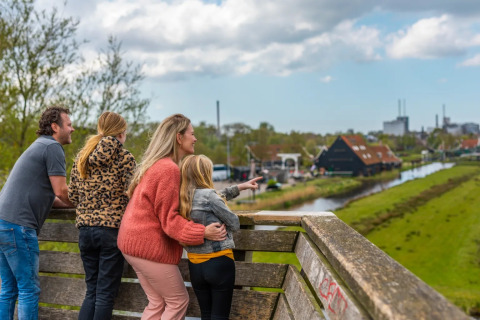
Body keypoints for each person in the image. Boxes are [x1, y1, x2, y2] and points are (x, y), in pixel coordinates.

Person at [117, 114, 261, 320]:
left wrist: (237, 188)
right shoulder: (168, 169)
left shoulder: (156, 165)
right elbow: (169, 219)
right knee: (178, 301)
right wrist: (203, 232)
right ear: (178, 137)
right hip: (147, 247)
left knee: (158, 303)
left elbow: (197, 198)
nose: (195, 139)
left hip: (131, 244)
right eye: (192, 134)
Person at [0, 106, 74, 320]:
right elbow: (61, 190)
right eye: (68, 124)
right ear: (54, 127)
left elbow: (50, 196)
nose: (72, 129)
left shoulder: (38, 146)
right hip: (18, 226)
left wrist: (69, 204)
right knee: (28, 290)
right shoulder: (52, 148)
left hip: (4, 222)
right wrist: (83, 203)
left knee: (8, 289)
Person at [68, 112, 136, 320]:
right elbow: (134, 192)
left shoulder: (83, 157)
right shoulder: (124, 157)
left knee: (92, 291)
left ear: (100, 129)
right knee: (105, 294)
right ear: (121, 132)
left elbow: (72, 195)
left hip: (85, 231)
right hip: (110, 231)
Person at [179, 155, 259, 320]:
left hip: (195, 265)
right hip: (219, 263)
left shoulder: (183, 197)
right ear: (206, 173)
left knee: (206, 315)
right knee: (219, 316)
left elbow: (216, 196)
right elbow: (234, 223)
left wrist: (240, 187)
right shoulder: (209, 196)